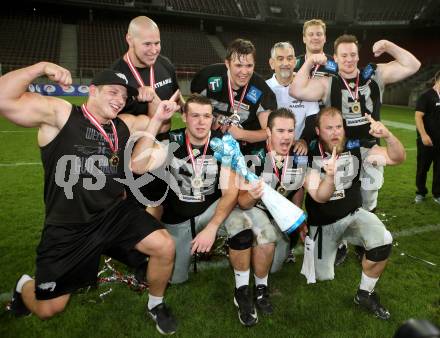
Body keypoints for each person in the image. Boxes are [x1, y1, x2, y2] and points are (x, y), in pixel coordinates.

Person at [0, 62, 179, 335]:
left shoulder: (124, 126)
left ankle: (156, 303)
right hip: (69, 226)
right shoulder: (61, 114)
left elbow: (139, 165)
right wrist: (41, 67)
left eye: (124, 96)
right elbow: (4, 98)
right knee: (49, 309)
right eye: (113, 92)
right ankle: (24, 284)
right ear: (92, 90)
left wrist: (156, 117)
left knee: (164, 246)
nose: (119, 100)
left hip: (112, 214)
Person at [161, 94, 280, 326]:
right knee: (176, 279)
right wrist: (157, 120)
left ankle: (242, 292)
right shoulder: (169, 140)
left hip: (213, 209)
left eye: (206, 116)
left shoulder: (224, 143)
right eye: (194, 115)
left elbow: (229, 193)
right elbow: (137, 165)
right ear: (183, 116)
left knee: (244, 227)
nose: (201, 121)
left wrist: (213, 227)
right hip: (179, 217)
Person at [305, 107, 406, 320]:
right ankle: (337, 245)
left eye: (339, 127)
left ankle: (364, 293)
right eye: (328, 128)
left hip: (352, 215)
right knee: (321, 276)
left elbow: (397, 158)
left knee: (383, 240)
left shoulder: (356, 146)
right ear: (317, 130)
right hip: (323, 224)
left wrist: (388, 136)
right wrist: (330, 176)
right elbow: (320, 197)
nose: (335, 133)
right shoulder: (308, 152)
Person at [238, 107, 336, 272]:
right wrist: (252, 194)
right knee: (257, 248)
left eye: (290, 130)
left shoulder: (299, 157)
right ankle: (242, 242)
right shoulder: (251, 155)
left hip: (277, 216)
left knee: (273, 267)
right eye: (280, 131)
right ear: (268, 132)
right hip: (251, 213)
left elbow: (320, 196)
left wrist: (331, 177)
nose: (286, 136)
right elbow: (241, 202)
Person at [111, 15, 182, 221]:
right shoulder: (116, 76)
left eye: (157, 43)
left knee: (160, 207)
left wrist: (186, 109)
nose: (154, 50)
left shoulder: (165, 64)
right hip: (133, 157)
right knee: (132, 216)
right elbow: (111, 126)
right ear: (130, 39)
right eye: (147, 44)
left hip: (162, 150)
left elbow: (176, 96)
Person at [266, 41, 320, 262]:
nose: (286, 63)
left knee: (295, 198)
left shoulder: (305, 85)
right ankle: (263, 239)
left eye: (290, 58)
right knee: (268, 199)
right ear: (271, 63)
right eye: (280, 58)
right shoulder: (265, 87)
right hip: (271, 152)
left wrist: (305, 140)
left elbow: (312, 118)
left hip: (296, 150)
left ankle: (289, 245)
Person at [191, 38, 277, 156]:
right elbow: (191, 113)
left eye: (249, 65)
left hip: (244, 151)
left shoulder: (261, 89)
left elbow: (268, 132)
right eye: (238, 65)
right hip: (208, 144)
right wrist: (209, 121)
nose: (244, 71)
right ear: (227, 63)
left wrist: (241, 134)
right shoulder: (208, 77)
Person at [414, 70, 440, 205]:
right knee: (423, 167)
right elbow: (418, 116)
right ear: (437, 80)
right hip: (427, 140)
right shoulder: (426, 96)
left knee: (439, 169)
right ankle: (421, 192)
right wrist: (424, 135)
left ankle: (438, 194)